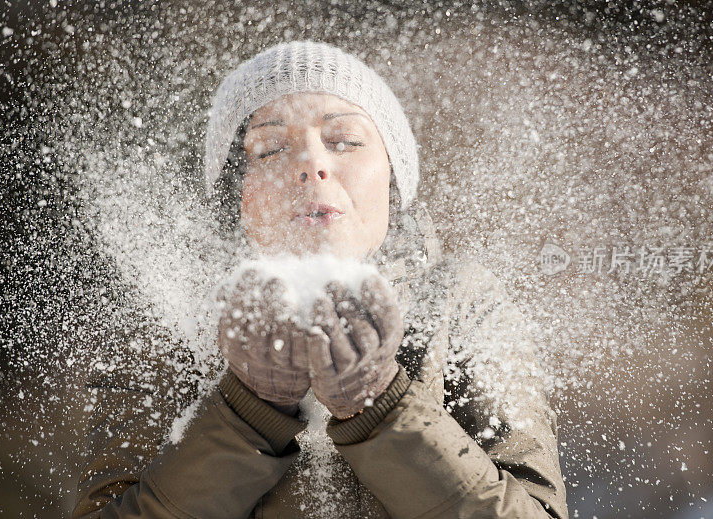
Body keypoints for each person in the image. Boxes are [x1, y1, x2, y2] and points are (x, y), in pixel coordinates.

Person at [73, 40, 568, 518]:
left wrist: (383, 408)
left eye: (345, 141)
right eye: (268, 149)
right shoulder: (172, 316)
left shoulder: (462, 301)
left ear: (393, 181)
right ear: (236, 198)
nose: (313, 163)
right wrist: (247, 415)